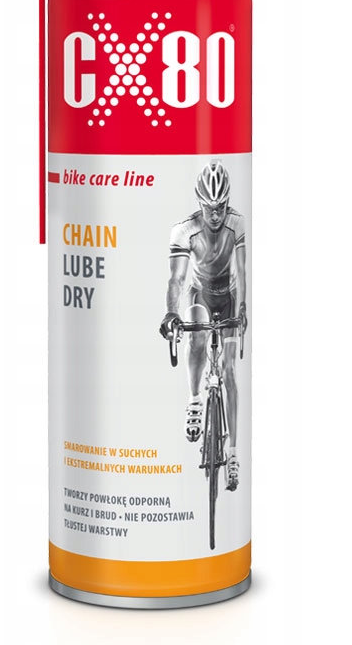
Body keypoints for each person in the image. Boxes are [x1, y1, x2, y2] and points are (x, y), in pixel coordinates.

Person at [159, 161, 247, 491]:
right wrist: (171, 313)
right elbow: (177, 278)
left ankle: (233, 453)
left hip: (229, 296)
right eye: (209, 208)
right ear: (200, 203)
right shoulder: (184, 230)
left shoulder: (237, 223)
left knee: (229, 371)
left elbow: (243, 271)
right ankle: (195, 399)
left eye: (221, 207)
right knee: (194, 329)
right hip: (201, 294)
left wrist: (244, 309)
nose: (215, 215)